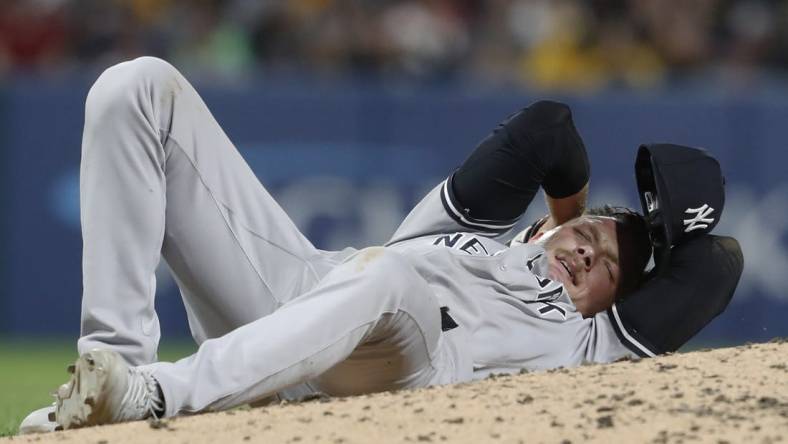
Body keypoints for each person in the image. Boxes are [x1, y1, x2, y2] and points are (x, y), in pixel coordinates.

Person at [21, 57, 741, 433]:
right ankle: (106, 387)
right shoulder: (465, 230)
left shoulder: (593, 347)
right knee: (137, 87)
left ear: (616, 306)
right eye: (589, 239)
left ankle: (156, 396)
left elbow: (718, 264)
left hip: (400, 371)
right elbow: (548, 128)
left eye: (608, 269)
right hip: (292, 301)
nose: (589, 255)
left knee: (386, 277)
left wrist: (657, 236)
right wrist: (571, 214)